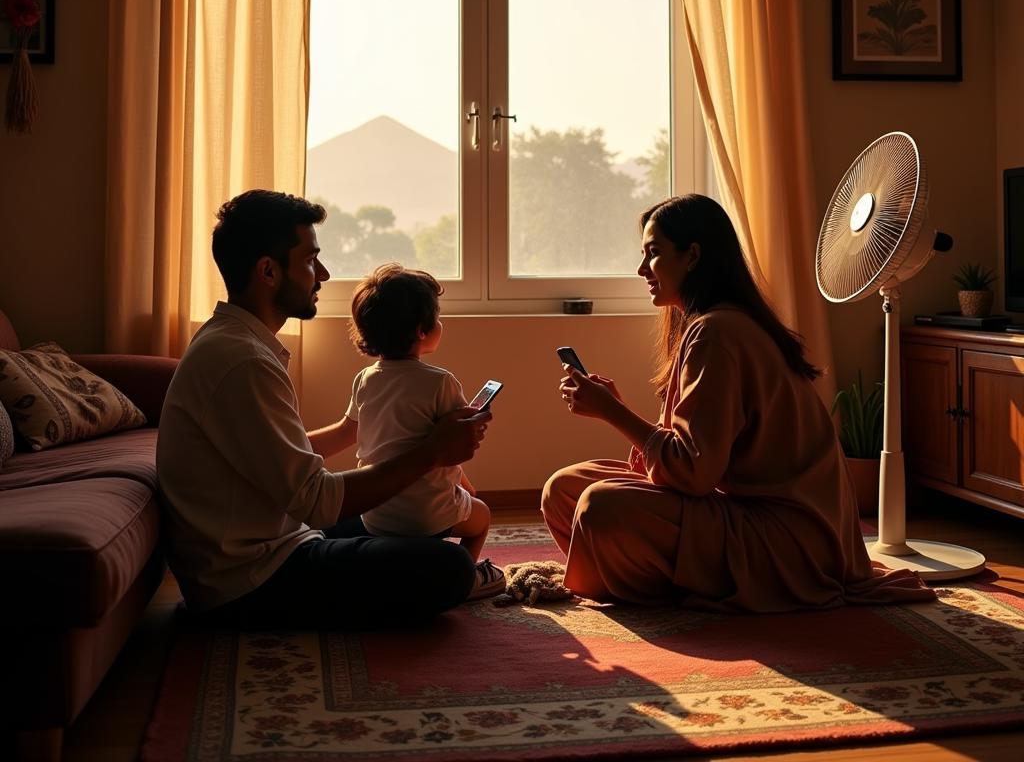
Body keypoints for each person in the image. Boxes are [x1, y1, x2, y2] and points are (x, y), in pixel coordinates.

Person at [543, 194, 935, 611]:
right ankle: (642, 573)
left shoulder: (718, 332)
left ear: (692, 256)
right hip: (741, 511)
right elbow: (686, 463)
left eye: (653, 254)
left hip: (786, 541)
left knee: (600, 506)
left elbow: (693, 473)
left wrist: (612, 412)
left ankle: (663, 584)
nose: (642, 270)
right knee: (565, 489)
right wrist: (617, 407)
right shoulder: (710, 324)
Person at [156, 190, 491, 629]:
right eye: (311, 260)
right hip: (251, 579)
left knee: (404, 517)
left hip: (271, 537)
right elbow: (315, 500)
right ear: (269, 271)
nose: (324, 274)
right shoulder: (243, 363)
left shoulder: (234, 342)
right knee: (446, 567)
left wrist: (359, 428)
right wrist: (431, 451)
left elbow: (283, 456)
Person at [344, 264, 505, 598]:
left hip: (374, 512)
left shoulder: (366, 379)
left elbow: (385, 442)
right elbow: (452, 448)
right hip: (427, 514)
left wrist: (462, 485)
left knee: (460, 499)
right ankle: (471, 578)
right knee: (482, 516)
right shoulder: (440, 382)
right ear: (422, 330)